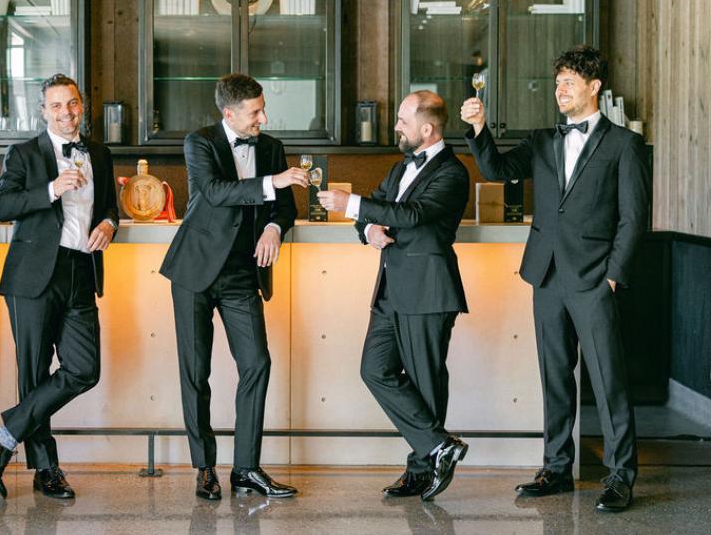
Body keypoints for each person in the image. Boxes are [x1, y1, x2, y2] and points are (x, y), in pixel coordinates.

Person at [461, 46, 650, 514]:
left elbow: (633, 218)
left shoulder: (624, 145)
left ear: (594, 87)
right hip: (545, 273)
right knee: (555, 375)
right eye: (558, 82)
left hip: (595, 278)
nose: (560, 90)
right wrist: (479, 128)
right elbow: (498, 170)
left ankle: (620, 476)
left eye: (570, 82)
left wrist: (613, 276)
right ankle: (557, 467)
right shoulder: (542, 139)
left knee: (608, 379)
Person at [160, 73, 305, 502]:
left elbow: (285, 209)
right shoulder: (200, 142)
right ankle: (204, 468)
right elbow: (214, 191)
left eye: (263, 109)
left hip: (243, 272)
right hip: (195, 270)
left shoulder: (272, 147)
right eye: (255, 111)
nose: (263, 118)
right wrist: (272, 182)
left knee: (257, 362)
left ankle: (246, 469)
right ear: (229, 113)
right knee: (195, 371)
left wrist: (275, 228)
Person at [319, 91, 469, 501]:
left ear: (427, 128)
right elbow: (377, 208)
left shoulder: (452, 173)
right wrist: (367, 228)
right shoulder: (400, 166)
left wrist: (351, 204)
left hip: (428, 290)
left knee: (425, 382)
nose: (396, 126)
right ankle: (438, 446)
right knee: (374, 369)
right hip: (390, 289)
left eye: (403, 120)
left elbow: (413, 215)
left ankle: (421, 469)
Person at [0, 74, 118, 501]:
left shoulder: (99, 154)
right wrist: (51, 189)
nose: (66, 112)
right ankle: (46, 469)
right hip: (33, 276)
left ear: (82, 105)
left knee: (84, 369)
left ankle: (4, 435)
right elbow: (4, 206)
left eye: (72, 103)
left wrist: (109, 224)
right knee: (34, 373)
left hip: (81, 270)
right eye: (56, 106)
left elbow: (109, 205)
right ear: (43, 111)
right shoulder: (23, 154)